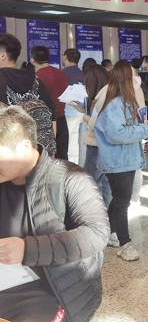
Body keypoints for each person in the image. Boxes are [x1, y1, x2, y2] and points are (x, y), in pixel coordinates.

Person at [0, 105, 109, 322]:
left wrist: (27, 249)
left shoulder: (71, 178)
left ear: (24, 147)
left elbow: (97, 234)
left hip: (56, 290)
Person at [95, 61, 148, 261]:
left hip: (126, 159)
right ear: (125, 78)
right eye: (134, 74)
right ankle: (125, 243)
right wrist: (143, 129)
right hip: (117, 160)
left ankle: (108, 232)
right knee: (122, 201)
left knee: (119, 199)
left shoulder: (127, 101)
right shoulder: (114, 104)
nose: (137, 77)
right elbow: (116, 133)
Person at [0, 34, 57, 157]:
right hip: (35, 154)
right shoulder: (36, 80)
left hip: (7, 156)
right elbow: (52, 115)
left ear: (2, 55)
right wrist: (48, 154)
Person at [78, 65, 112, 208]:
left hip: (97, 144)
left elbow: (102, 124)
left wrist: (87, 119)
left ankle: (94, 213)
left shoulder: (103, 97)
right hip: (105, 144)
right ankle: (106, 214)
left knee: (90, 181)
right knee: (105, 182)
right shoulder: (109, 92)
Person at [30, 45, 69, 160]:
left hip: (44, 122)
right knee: (62, 156)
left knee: (45, 157)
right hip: (61, 119)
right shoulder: (61, 73)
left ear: (32, 59)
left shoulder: (36, 77)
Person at [62, 48, 85, 165]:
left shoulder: (63, 73)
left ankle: (70, 165)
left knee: (69, 139)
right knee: (75, 138)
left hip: (68, 111)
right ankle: (75, 163)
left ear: (66, 57)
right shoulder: (82, 73)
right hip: (80, 111)